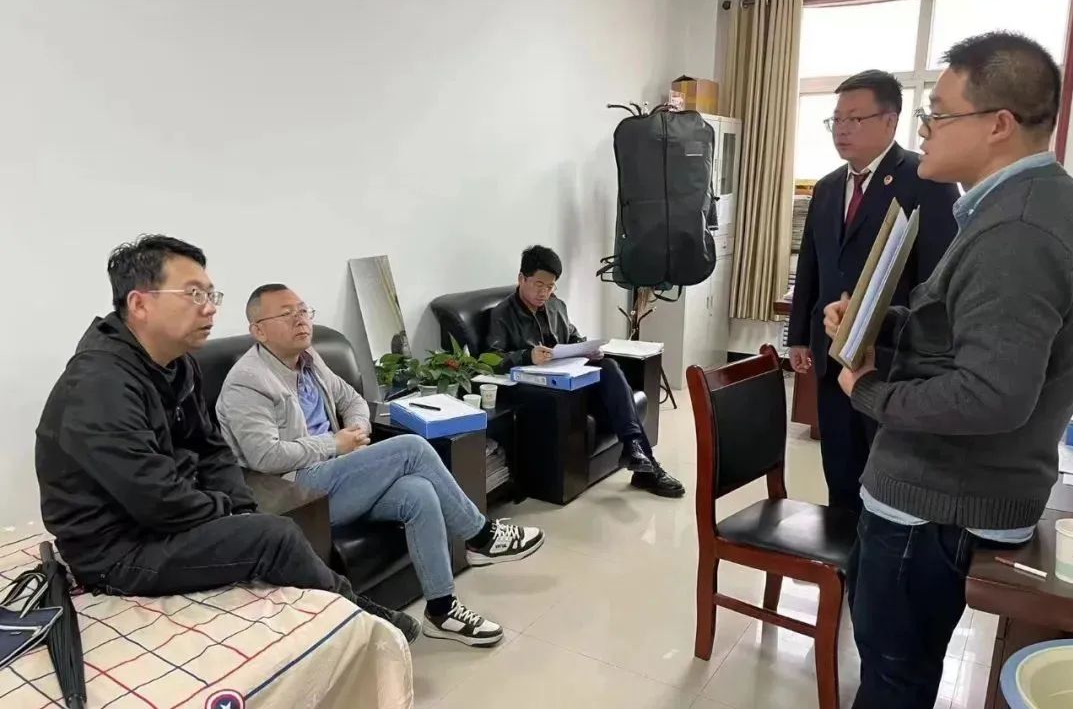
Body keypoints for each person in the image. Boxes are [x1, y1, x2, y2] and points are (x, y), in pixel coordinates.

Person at [829, 32, 1073, 708]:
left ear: (998, 124)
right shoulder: (1026, 205)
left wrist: (868, 388)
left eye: (938, 114)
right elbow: (968, 331)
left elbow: (992, 395)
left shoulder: (1018, 230)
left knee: (893, 680)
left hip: (933, 506)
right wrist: (880, 322)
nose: (925, 130)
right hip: (947, 496)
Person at [34, 235, 421, 642]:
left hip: (166, 516)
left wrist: (240, 506)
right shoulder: (99, 385)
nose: (210, 307)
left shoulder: (177, 365)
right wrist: (229, 513)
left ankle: (345, 611)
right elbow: (156, 500)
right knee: (274, 536)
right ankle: (360, 617)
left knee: (266, 521)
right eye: (193, 294)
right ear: (140, 303)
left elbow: (211, 448)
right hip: (117, 550)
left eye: (210, 294)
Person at [217, 284, 545, 648]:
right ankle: (480, 536)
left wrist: (357, 430)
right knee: (411, 448)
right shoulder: (247, 382)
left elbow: (353, 400)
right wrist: (334, 443)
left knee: (418, 492)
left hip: (338, 471)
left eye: (303, 310)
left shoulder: (308, 359)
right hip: (297, 493)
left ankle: (442, 610)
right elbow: (264, 456)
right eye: (286, 313)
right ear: (259, 330)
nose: (300, 319)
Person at [787, 69, 960, 513]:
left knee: (885, 477)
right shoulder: (828, 188)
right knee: (839, 465)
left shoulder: (926, 180)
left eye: (854, 119)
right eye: (836, 119)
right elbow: (812, 265)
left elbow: (938, 278)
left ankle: (875, 547)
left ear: (890, 120)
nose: (841, 130)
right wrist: (799, 335)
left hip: (892, 360)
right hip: (833, 352)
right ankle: (842, 546)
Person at [486, 245, 685, 498]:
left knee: (609, 366)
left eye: (550, 286)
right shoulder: (502, 314)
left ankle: (636, 451)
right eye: (538, 284)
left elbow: (572, 337)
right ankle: (646, 466)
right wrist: (527, 356)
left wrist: (587, 349)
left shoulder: (556, 306)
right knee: (617, 395)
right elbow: (490, 359)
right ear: (521, 278)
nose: (544, 292)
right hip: (545, 392)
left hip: (572, 380)